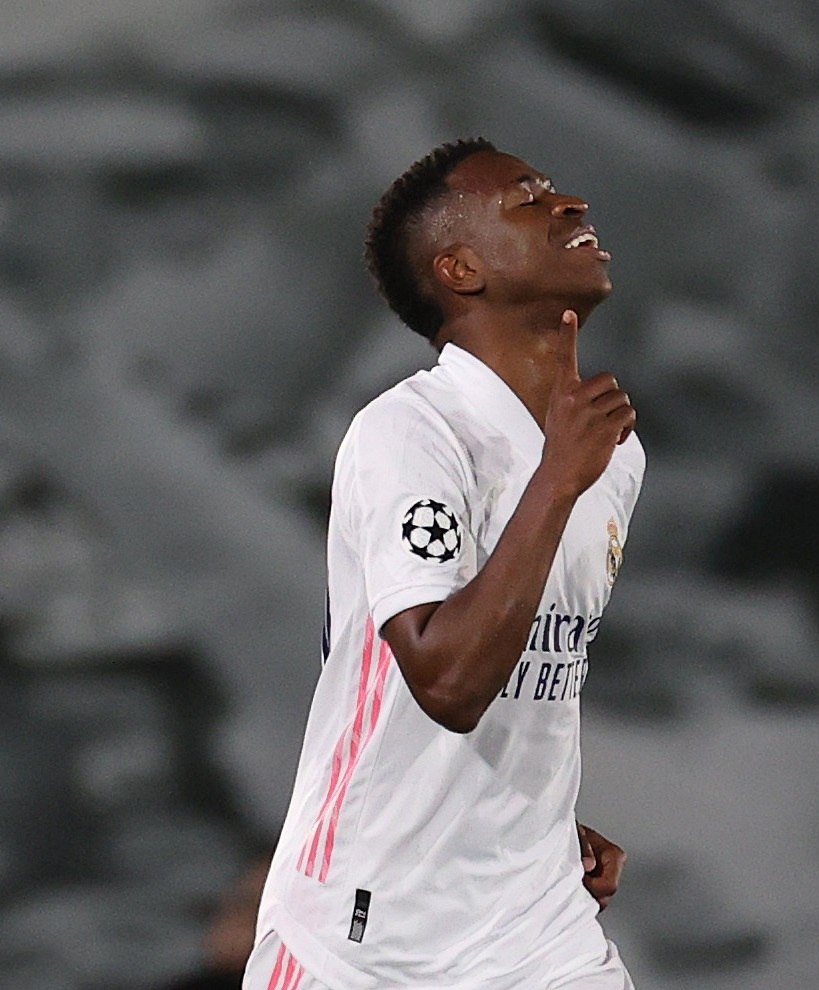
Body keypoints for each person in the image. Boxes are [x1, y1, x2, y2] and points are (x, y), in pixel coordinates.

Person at [244, 138, 644, 990]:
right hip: (362, 939)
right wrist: (558, 481)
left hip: (535, 931)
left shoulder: (615, 452)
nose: (570, 204)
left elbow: (534, 670)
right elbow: (449, 681)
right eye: (529, 201)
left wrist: (542, 819)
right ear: (461, 270)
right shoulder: (409, 434)